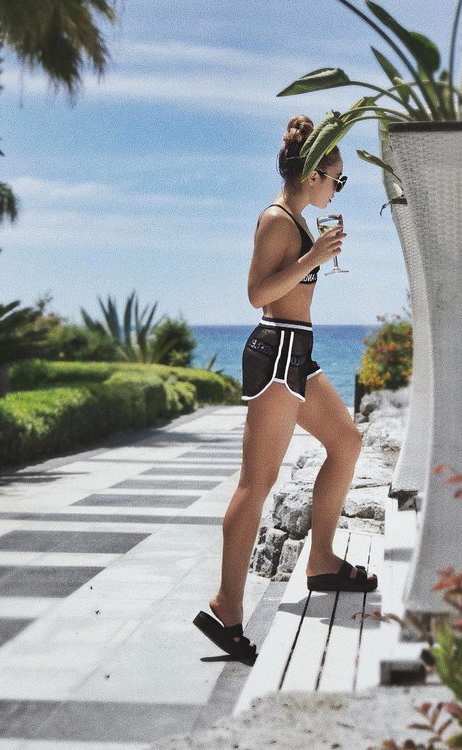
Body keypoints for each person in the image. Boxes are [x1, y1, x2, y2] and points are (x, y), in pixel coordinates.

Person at [193, 115, 377, 660]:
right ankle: (225, 606)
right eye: (338, 179)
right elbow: (257, 294)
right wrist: (313, 258)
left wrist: (313, 256)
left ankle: (321, 560)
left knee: (346, 442)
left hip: (298, 351)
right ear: (314, 174)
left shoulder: (297, 219)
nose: (338, 189)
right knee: (257, 483)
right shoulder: (277, 219)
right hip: (276, 352)